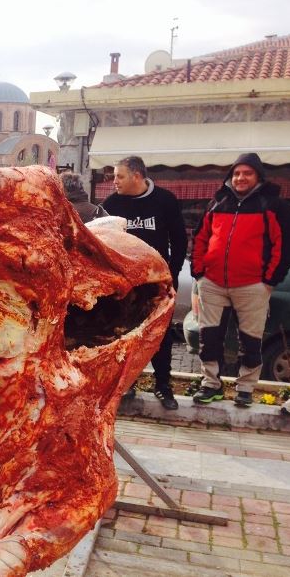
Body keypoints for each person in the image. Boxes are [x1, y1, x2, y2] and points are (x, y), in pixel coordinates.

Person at [191, 153, 290, 407]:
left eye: (247, 173)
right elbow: (201, 236)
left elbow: (285, 245)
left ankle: (245, 388)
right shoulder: (218, 201)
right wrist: (199, 271)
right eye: (236, 173)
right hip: (212, 284)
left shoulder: (273, 205)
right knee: (209, 338)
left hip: (252, 286)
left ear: (258, 176)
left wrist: (270, 280)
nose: (240, 178)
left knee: (250, 341)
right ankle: (211, 384)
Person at [102, 155, 187, 410]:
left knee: (161, 335)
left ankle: (163, 386)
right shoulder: (111, 203)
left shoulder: (165, 200)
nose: (114, 181)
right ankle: (127, 384)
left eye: (119, 176)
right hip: (125, 287)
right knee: (124, 334)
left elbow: (180, 240)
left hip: (157, 284)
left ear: (137, 176)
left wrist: (172, 274)